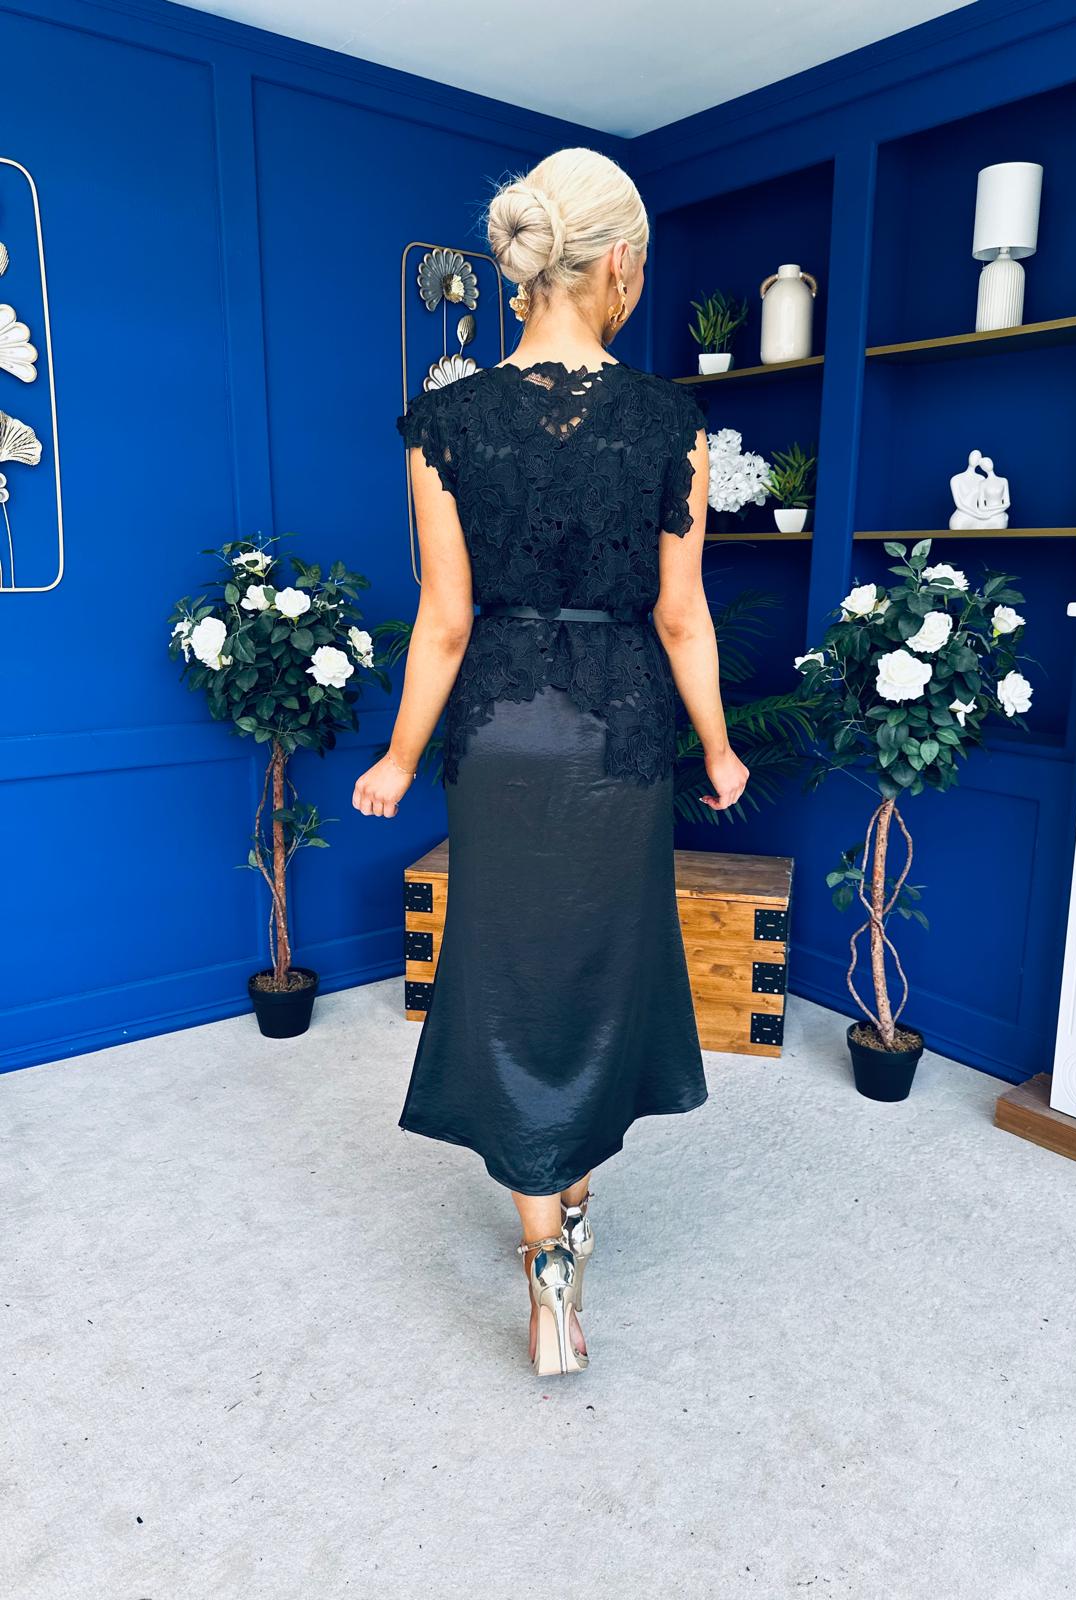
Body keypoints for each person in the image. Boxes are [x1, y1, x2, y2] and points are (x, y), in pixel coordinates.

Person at [352, 146, 749, 1377]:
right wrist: (720, 747)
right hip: (619, 736)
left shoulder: (446, 423)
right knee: (600, 970)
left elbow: (444, 620)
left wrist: (400, 758)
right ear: (620, 262)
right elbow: (680, 616)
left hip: (499, 738)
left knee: (508, 973)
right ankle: (573, 1208)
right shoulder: (670, 424)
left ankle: (542, 1260)